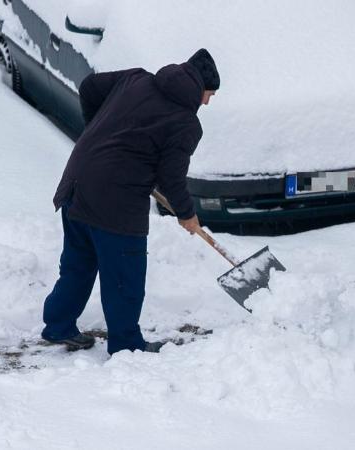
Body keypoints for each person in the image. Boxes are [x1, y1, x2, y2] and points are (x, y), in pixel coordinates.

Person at [40, 49, 220, 354]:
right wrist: (186, 214)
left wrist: (98, 129)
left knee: (78, 263)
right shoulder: (185, 123)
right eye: (209, 94)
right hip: (116, 201)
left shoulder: (135, 79)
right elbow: (172, 176)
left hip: (78, 180)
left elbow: (88, 87)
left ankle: (58, 325)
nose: (207, 102)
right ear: (198, 88)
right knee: (125, 274)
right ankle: (126, 345)